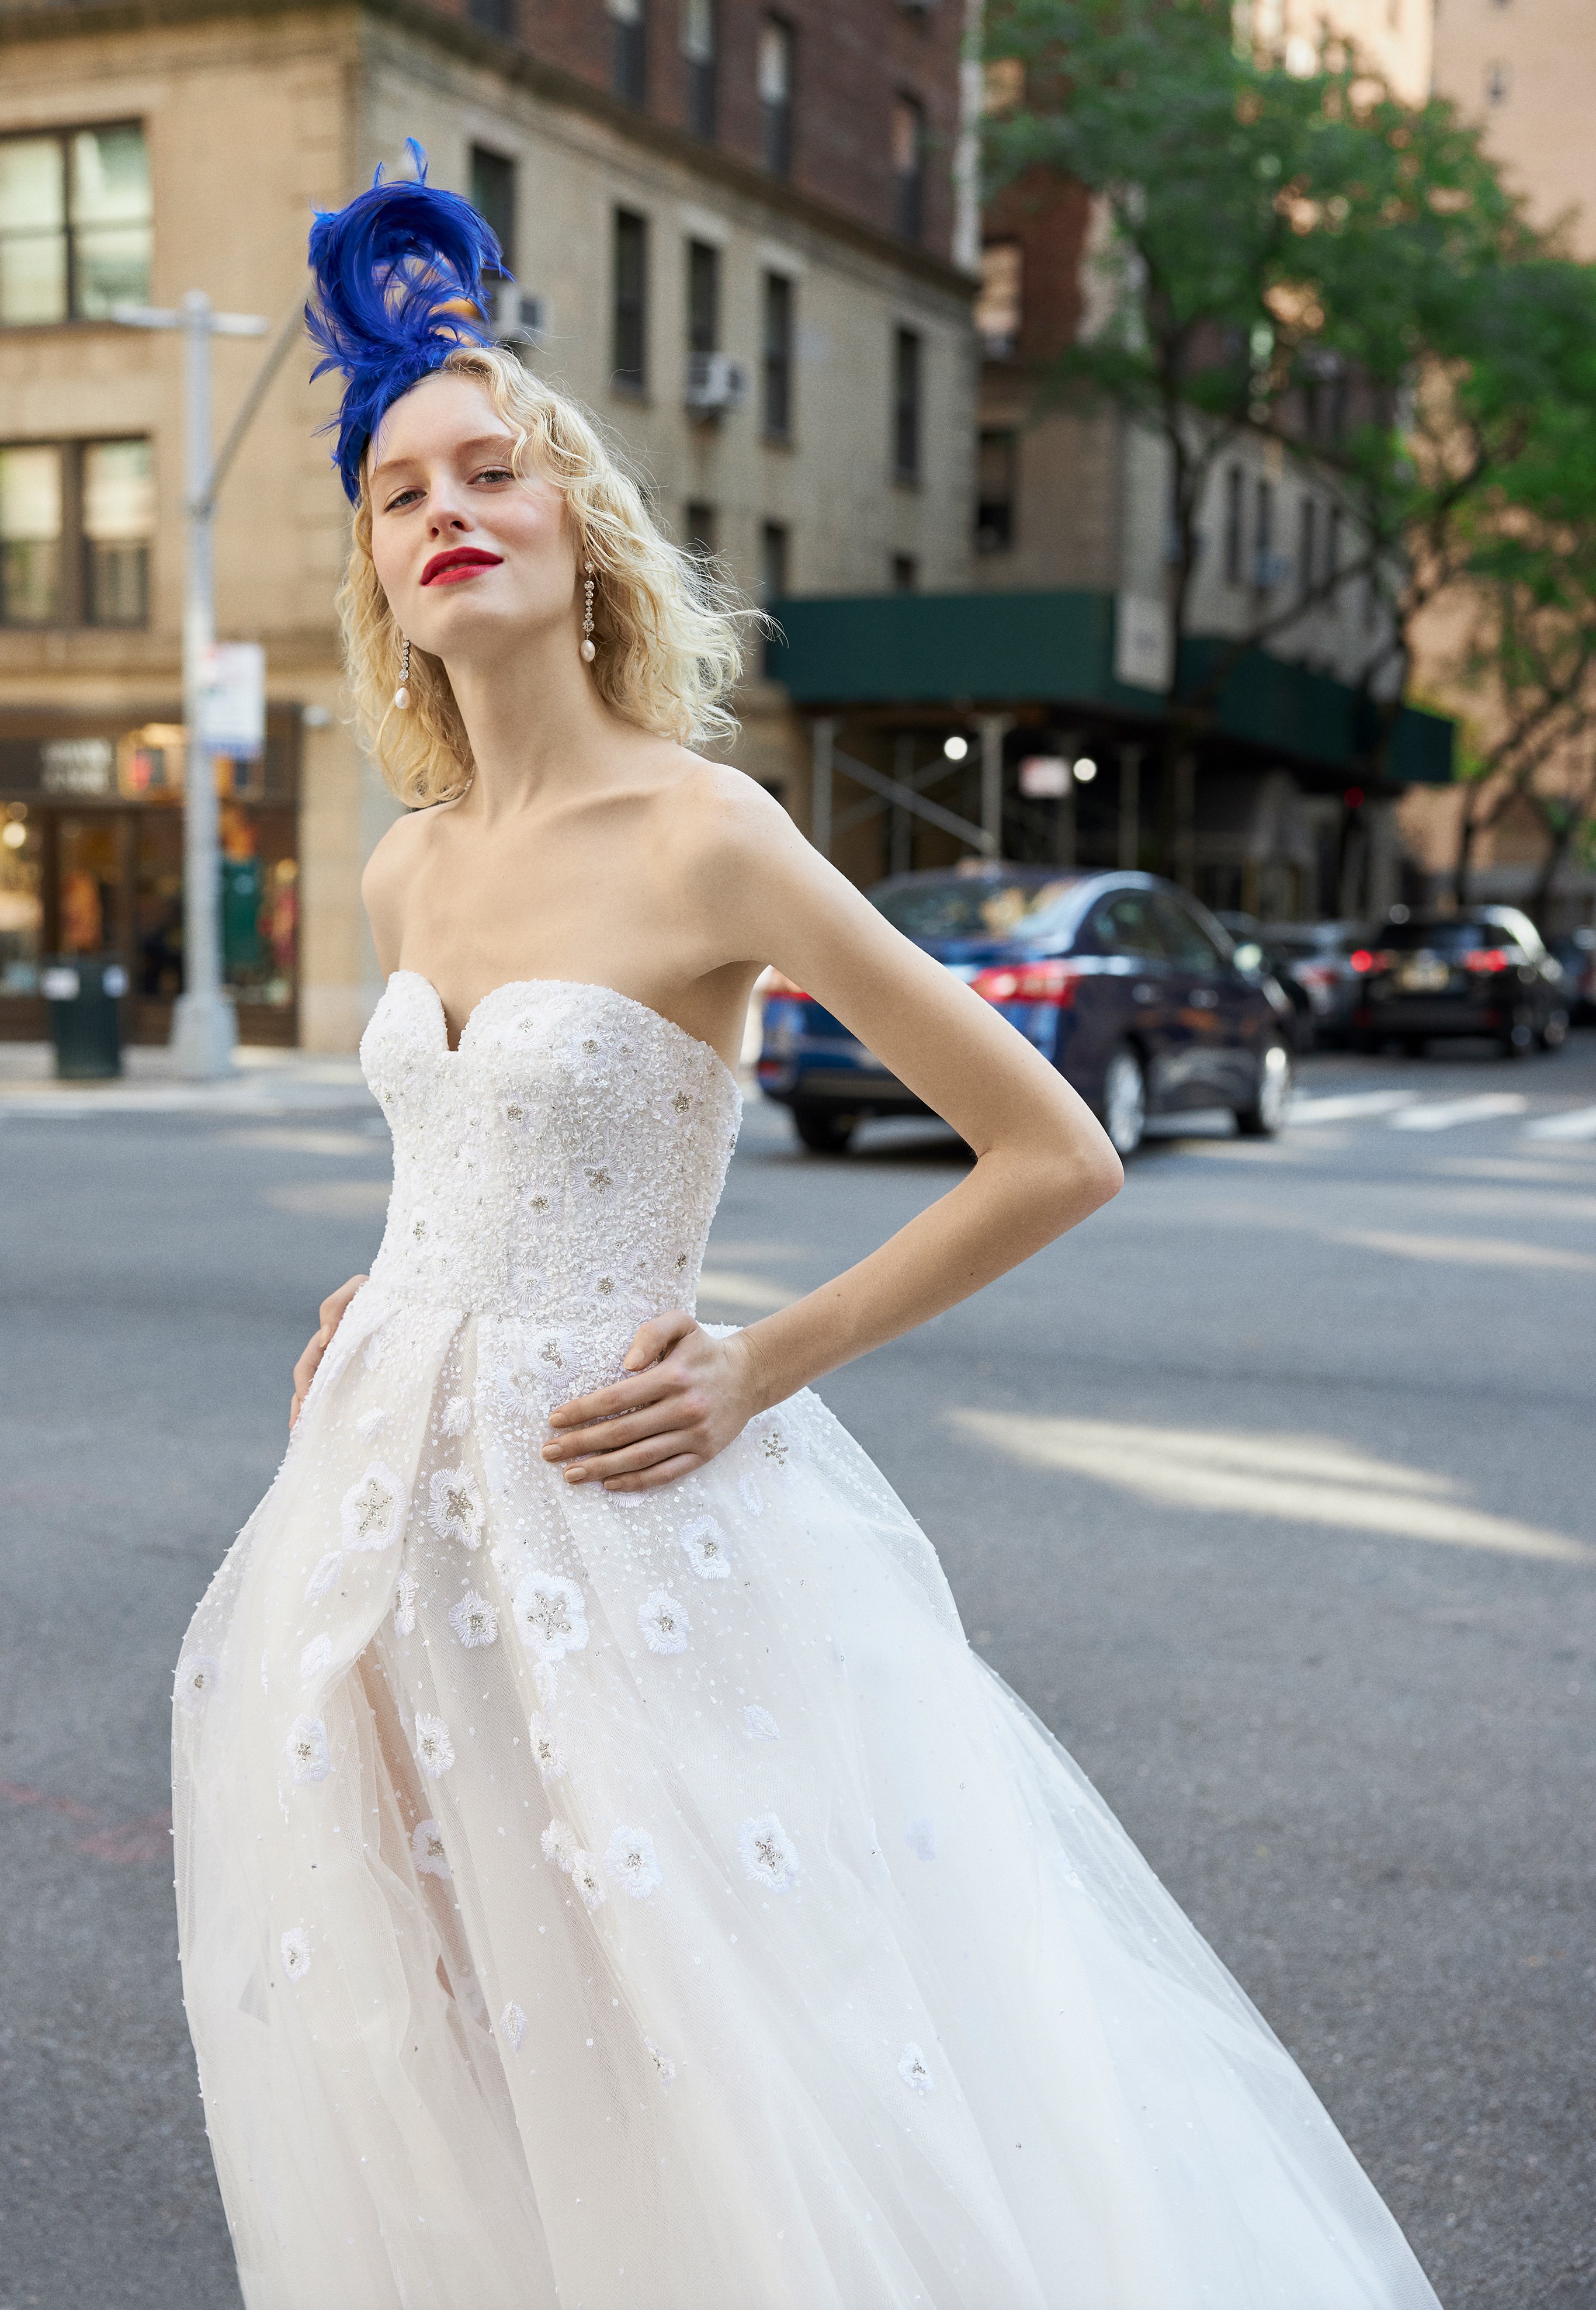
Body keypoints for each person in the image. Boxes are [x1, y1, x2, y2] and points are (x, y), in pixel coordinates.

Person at [171, 151, 1442, 2310]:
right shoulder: (401, 869)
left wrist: (761, 1357)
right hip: (378, 1510)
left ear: (573, 529)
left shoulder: (708, 832)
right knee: (451, 2015)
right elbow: (456, 1160)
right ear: (378, 567)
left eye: (494, 467)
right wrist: (385, 1290)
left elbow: (1052, 1147)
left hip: (623, 1512)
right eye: (399, 491)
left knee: (708, 2038)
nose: (447, 505)